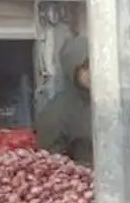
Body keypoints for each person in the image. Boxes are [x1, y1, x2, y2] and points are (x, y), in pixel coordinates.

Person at [35, 34, 93, 165]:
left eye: (96, 64)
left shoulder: (111, 106)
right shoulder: (56, 113)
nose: (92, 72)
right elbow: (53, 167)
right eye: (85, 67)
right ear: (72, 69)